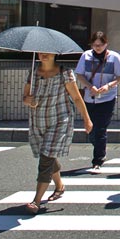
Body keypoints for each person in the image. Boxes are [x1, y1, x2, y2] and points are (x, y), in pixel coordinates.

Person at [21, 52, 93, 215]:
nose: (44, 55)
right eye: (41, 52)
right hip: (38, 121)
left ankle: (36, 201)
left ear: (55, 54)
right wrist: (28, 100)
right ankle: (60, 186)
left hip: (60, 120)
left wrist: (87, 119)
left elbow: (76, 98)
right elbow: (25, 97)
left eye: (48, 53)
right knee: (47, 154)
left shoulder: (65, 73)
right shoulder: (33, 72)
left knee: (46, 158)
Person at [74, 31, 120, 174]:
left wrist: (108, 86)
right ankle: (100, 147)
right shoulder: (86, 56)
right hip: (90, 97)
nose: (98, 47)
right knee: (91, 129)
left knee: (101, 128)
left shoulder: (114, 57)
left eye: (100, 45)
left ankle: (98, 160)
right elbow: (79, 74)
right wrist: (90, 86)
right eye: (95, 45)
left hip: (107, 97)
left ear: (106, 44)